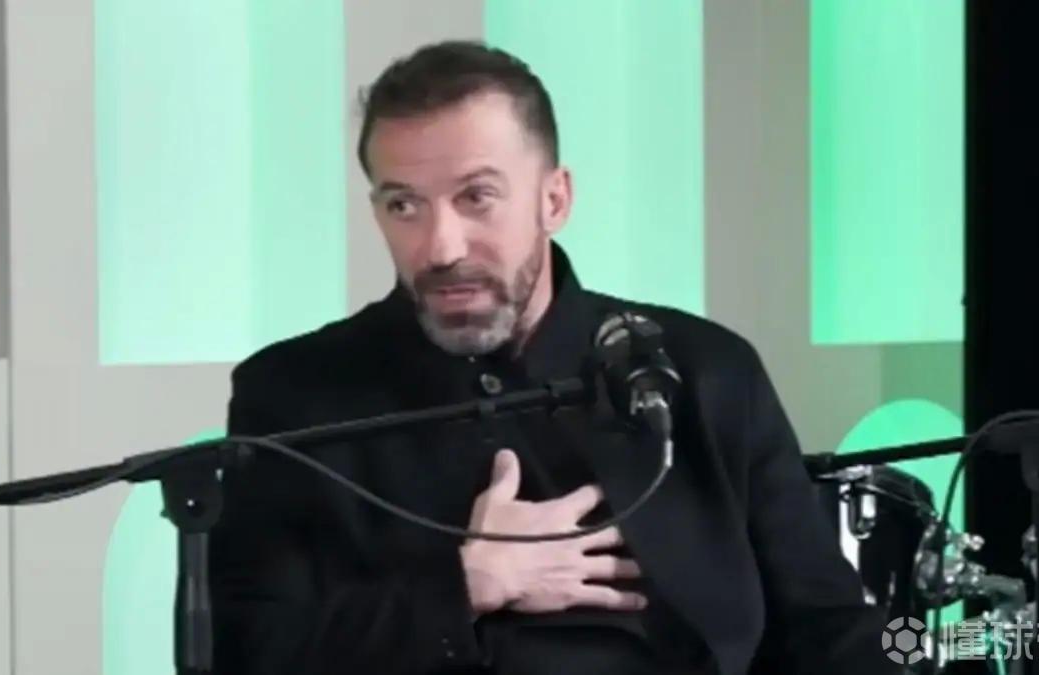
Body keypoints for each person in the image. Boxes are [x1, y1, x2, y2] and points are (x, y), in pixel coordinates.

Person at [209, 40, 900, 675]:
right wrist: (466, 585)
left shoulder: (703, 370)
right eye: (404, 205)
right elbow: (248, 651)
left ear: (555, 199)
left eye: (477, 196)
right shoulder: (294, 394)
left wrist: (911, 655)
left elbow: (829, 628)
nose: (441, 246)